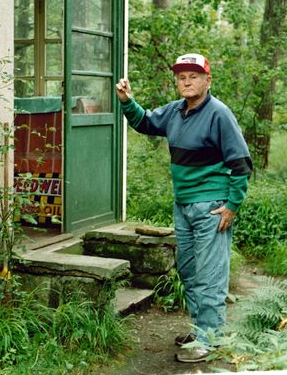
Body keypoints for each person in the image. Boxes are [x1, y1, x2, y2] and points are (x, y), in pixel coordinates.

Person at [116, 53, 253, 363]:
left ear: (207, 80)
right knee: (190, 272)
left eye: (194, 75)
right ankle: (200, 328)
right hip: (184, 206)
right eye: (181, 77)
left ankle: (210, 339)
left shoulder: (220, 114)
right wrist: (127, 101)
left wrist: (232, 205)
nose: (187, 81)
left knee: (210, 276)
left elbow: (241, 164)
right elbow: (145, 122)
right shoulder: (176, 111)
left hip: (212, 207)